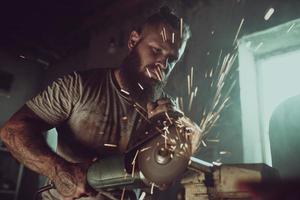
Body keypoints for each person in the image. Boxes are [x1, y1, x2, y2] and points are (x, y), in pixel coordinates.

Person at [0, 7, 202, 200]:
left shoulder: (167, 110)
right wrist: (59, 170)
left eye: (172, 59)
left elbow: (168, 175)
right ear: (133, 41)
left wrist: (184, 135)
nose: (163, 65)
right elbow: (12, 131)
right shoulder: (78, 87)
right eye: (156, 50)